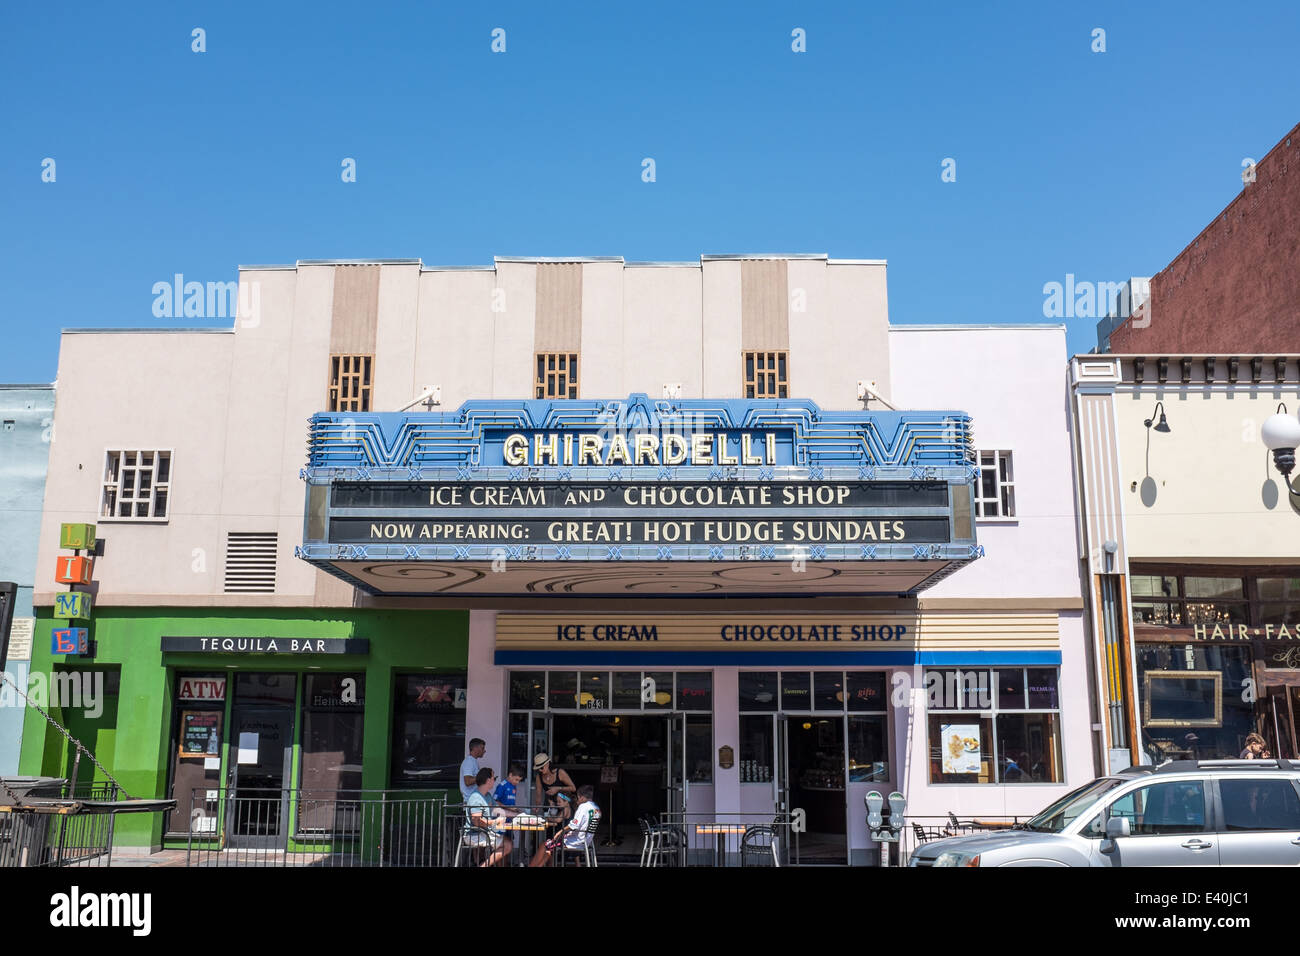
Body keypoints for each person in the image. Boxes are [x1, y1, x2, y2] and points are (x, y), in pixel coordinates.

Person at [530, 785, 600, 867]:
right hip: (586, 841)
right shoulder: (596, 808)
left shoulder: (583, 807)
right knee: (550, 845)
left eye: (578, 797)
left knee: (546, 845)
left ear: (581, 797)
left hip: (575, 842)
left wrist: (560, 831)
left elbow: (574, 825)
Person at [463, 768, 513, 866]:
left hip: (482, 832)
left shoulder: (487, 795)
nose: (495, 781)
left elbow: (498, 810)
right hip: (474, 835)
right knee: (508, 845)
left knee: (507, 842)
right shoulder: (476, 798)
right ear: (488, 780)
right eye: (494, 778)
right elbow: (477, 821)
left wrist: (518, 815)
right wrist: (495, 822)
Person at [533, 752, 577, 822]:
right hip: (550, 805)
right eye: (538, 769)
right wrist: (537, 806)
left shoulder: (560, 772)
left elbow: (573, 788)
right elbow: (539, 795)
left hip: (563, 803)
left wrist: (557, 788)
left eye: (541, 768)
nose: (540, 770)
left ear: (547, 764)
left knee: (563, 827)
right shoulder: (539, 776)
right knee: (550, 828)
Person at [460, 738, 486, 802]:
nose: (484, 751)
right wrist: (483, 776)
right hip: (470, 802)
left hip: (474, 800)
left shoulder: (473, 761)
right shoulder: (469, 761)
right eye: (482, 748)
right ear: (475, 748)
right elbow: (468, 781)